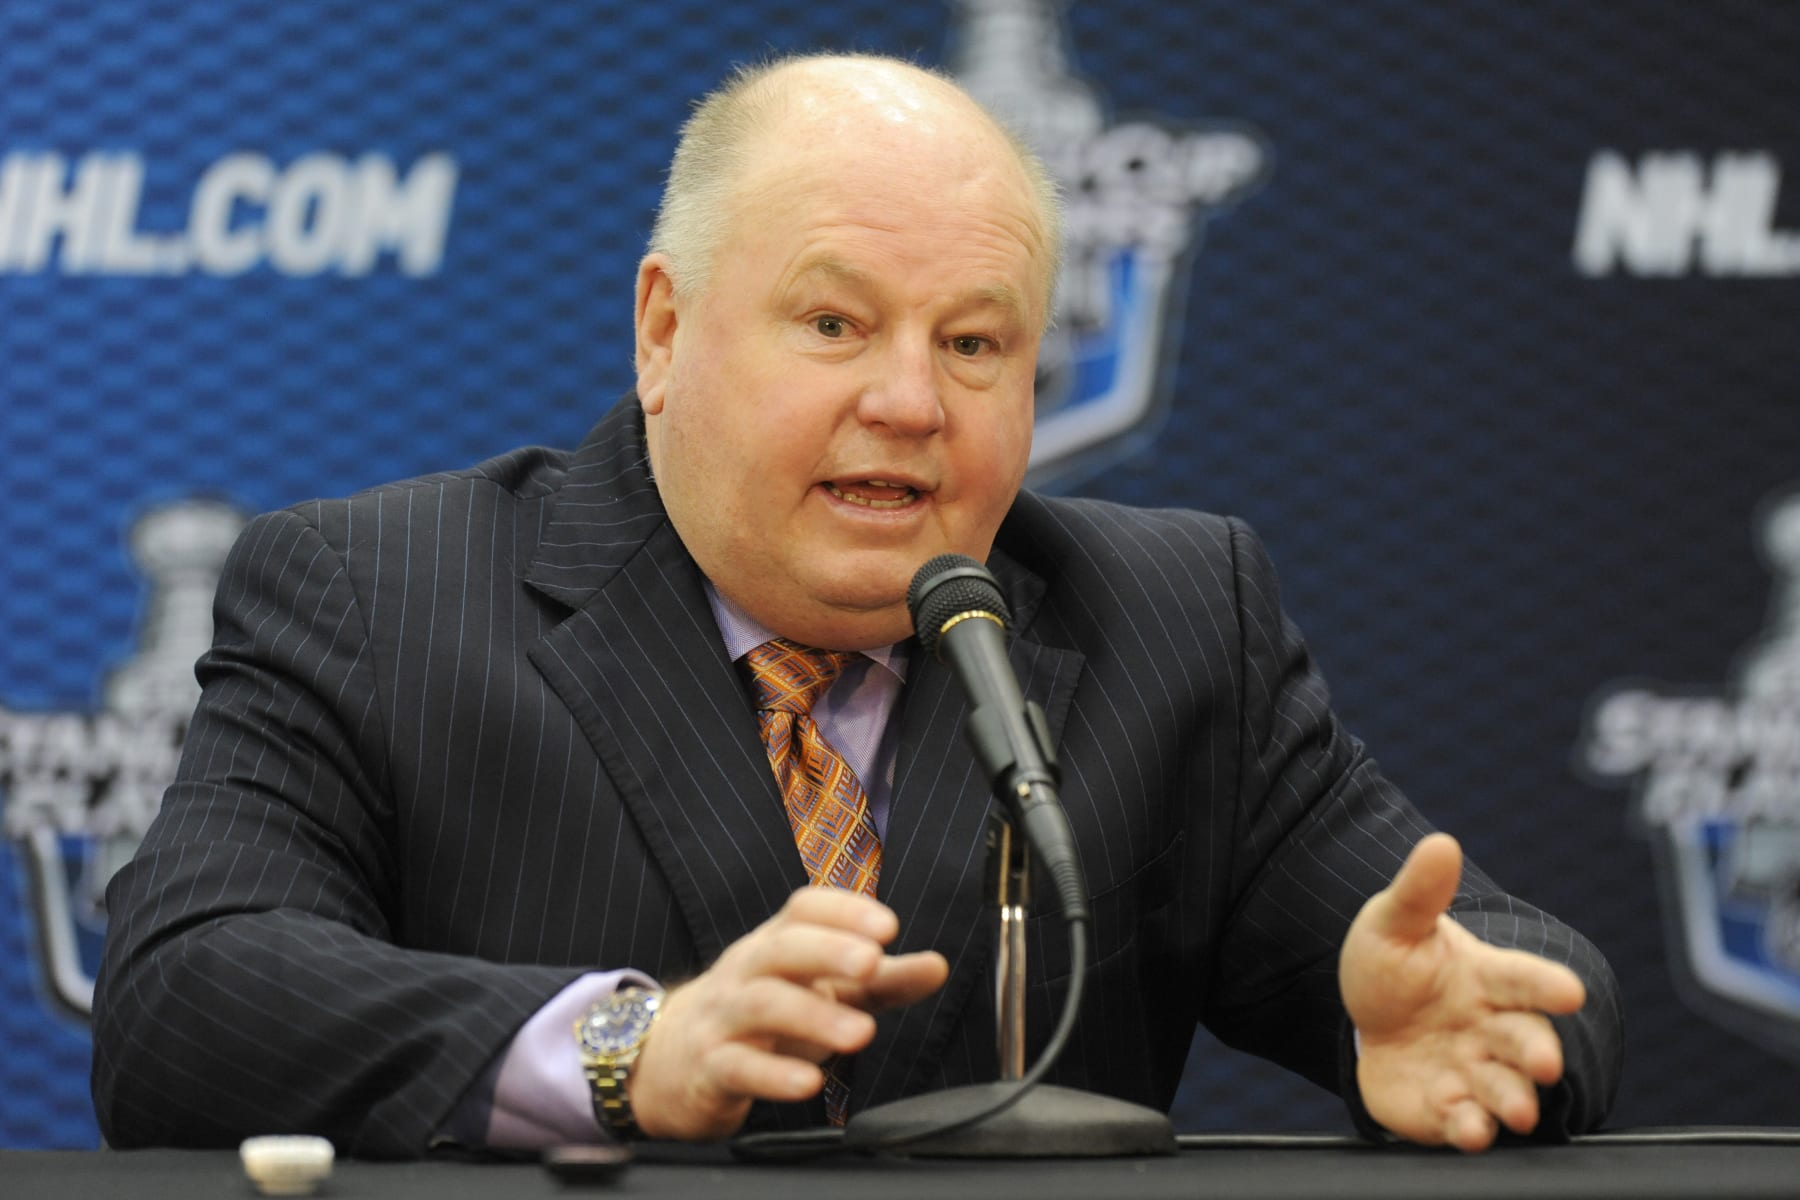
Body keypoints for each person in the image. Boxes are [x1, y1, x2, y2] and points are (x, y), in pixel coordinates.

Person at [91, 53, 1622, 1159]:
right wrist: (631, 1049)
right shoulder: (381, 594)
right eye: (834, 323)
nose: (910, 402)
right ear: (665, 331)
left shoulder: (1171, 619)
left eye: (975, 344)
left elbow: (1506, 964)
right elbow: (183, 996)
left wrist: (1467, 1026)